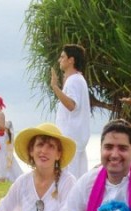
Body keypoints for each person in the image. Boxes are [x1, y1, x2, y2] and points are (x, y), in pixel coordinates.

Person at [51, 44, 91, 179]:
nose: (59, 60)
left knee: (69, 179)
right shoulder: (77, 79)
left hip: (71, 138)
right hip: (75, 137)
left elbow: (71, 105)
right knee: (77, 179)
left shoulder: (74, 80)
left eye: (62, 57)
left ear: (71, 60)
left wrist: (55, 87)